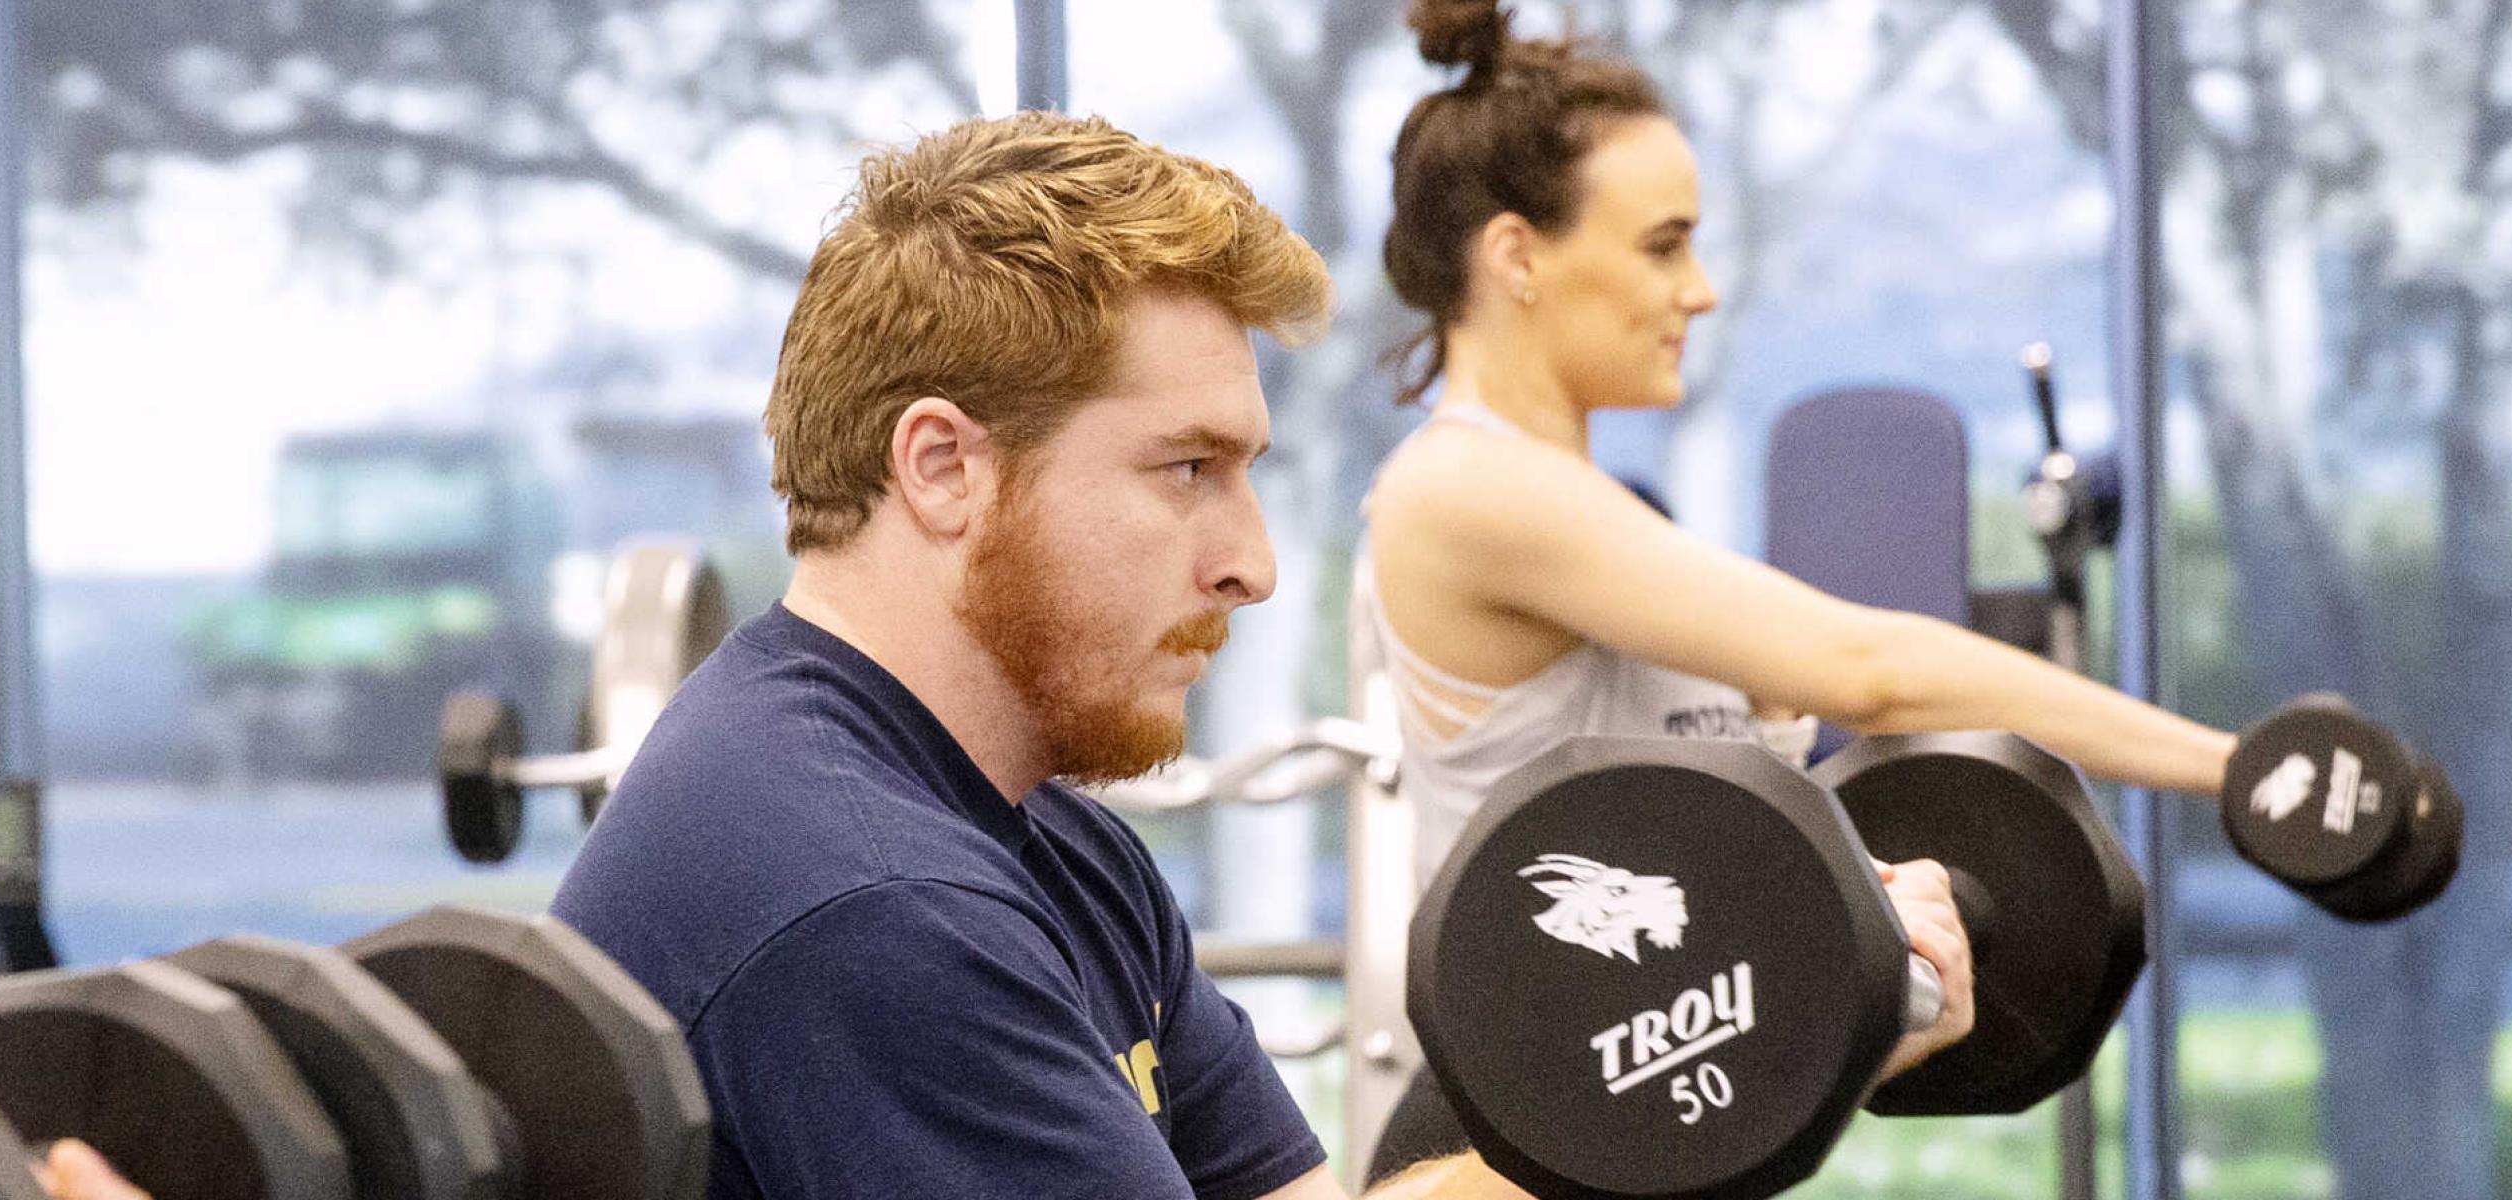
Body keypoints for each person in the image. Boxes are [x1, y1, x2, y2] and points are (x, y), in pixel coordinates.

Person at [549, 109, 1970, 1200]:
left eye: (1247, 475)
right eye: (1185, 469)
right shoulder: (869, 906)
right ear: (943, 470)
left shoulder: (1032, 831)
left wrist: (1767, 1036)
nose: (1254, 560)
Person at [1356, 0, 2236, 1178]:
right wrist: (2234, 769)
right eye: (1663, 245)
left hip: (1654, 1103)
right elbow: (1867, 670)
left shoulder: (1602, 521)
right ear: (1518, 256)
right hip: (1514, 1132)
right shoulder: (1464, 487)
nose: (1702, 289)